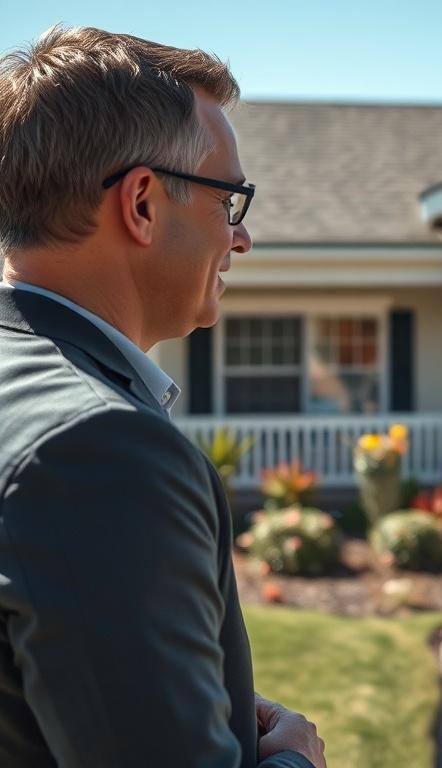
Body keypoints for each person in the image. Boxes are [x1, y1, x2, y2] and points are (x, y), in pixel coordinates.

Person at [0, 26, 326, 768]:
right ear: (142, 203)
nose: (241, 240)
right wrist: (296, 758)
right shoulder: (99, 450)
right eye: (231, 201)